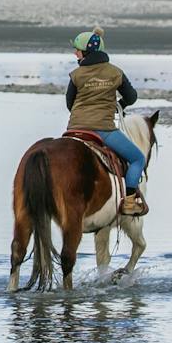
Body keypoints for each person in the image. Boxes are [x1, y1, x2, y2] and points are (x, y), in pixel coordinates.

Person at [64, 27, 148, 215]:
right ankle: (129, 202)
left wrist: (82, 114)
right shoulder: (115, 72)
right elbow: (132, 97)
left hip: (74, 129)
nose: (75, 52)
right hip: (103, 130)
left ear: (86, 52)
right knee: (137, 159)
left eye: (77, 49)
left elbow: (69, 103)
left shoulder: (76, 74)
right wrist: (120, 104)